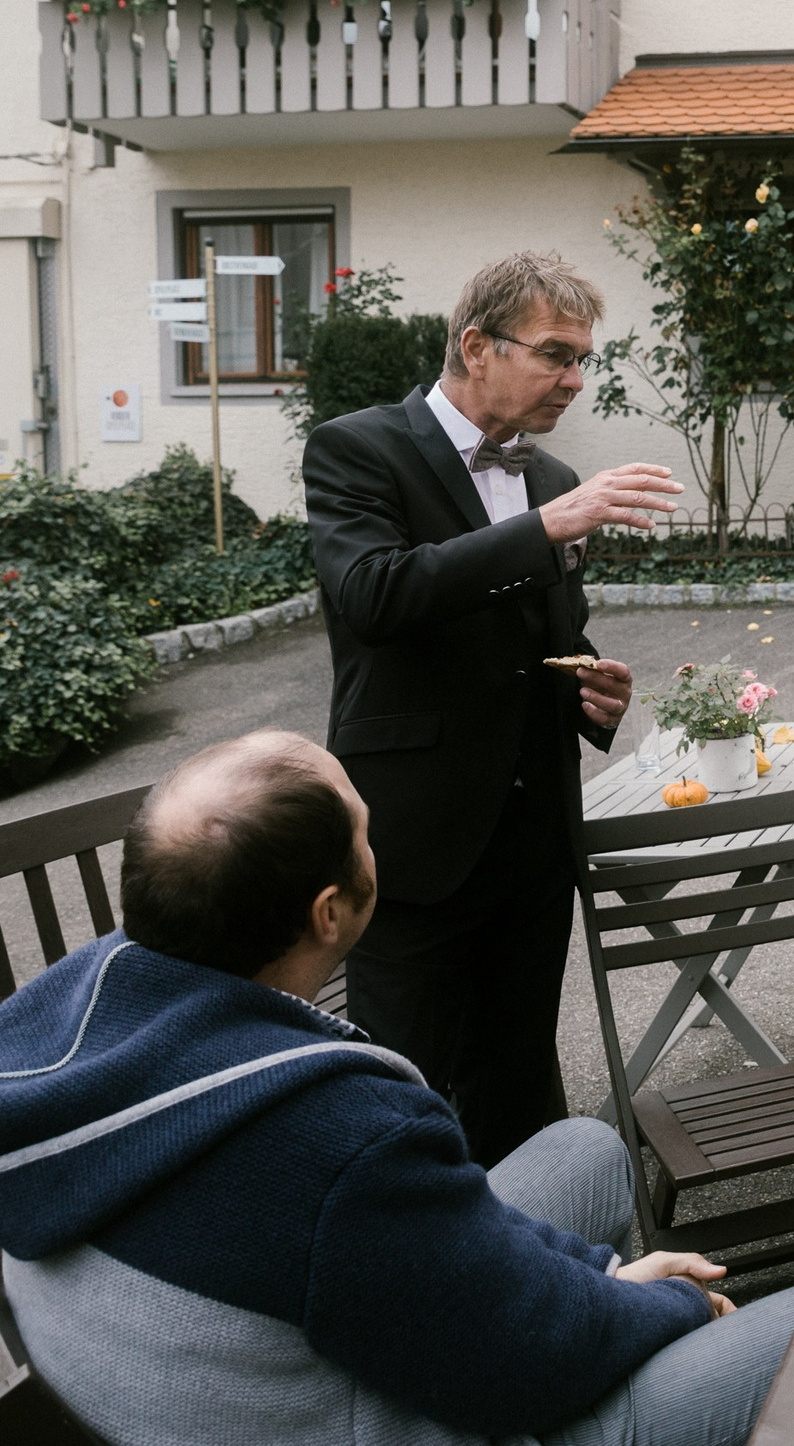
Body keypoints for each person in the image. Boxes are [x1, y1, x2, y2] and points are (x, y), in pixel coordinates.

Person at [0, 732, 794, 1446]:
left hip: (205, 1377)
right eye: (366, 828)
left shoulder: (83, 1014)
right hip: (374, 1406)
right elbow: (520, 1359)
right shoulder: (333, 1137)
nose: (381, 840)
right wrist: (662, 1304)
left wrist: (604, 1286)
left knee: (585, 1149)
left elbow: (404, 1250)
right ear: (329, 912)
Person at [302, 251, 680, 1166]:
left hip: (533, 845)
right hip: (418, 844)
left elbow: (545, 637)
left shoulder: (551, 479)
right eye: (555, 353)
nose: (575, 379)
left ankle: (539, 1275)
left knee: (521, 1089)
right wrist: (545, 528)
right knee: (408, 1093)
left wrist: (593, 688)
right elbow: (375, 596)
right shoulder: (358, 448)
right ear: (476, 345)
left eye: (583, 357)